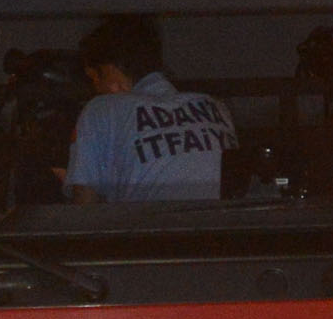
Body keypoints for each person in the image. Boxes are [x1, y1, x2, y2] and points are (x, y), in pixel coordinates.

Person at [62, 15, 235, 202]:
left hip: (148, 229)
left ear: (112, 71)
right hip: (221, 228)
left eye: (94, 77)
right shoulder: (215, 107)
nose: (95, 88)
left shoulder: (101, 109)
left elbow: (84, 206)